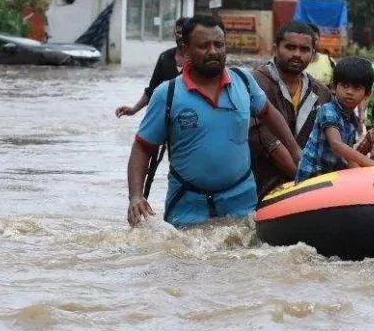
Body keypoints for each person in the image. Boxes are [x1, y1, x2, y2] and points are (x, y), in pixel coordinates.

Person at [126, 15, 302, 228]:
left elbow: (270, 114)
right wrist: (135, 196)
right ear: (185, 49)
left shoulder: (244, 82)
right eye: (204, 46)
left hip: (241, 204)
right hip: (187, 207)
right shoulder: (168, 94)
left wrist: (296, 152)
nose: (213, 51)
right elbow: (143, 147)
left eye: (219, 44)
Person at [248, 21, 333, 198]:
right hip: (262, 186)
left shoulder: (321, 92)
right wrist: (307, 185)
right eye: (290, 47)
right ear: (275, 48)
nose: (297, 54)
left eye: (304, 49)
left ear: (313, 53)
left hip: (308, 187)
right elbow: (265, 139)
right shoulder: (255, 83)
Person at [296, 57, 374, 182]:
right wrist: (372, 164)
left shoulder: (353, 120)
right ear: (334, 87)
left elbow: (349, 157)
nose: (349, 92)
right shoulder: (328, 110)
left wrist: (369, 174)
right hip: (311, 178)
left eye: (356, 88)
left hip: (330, 177)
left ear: (367, 94)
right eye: (345, 86)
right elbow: (337, 145)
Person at [116, 17, 188, 117]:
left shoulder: (198, 60)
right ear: (175, 34)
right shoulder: (165, 58)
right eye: (179, 32)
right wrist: (133, 110)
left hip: (189, 116)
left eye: (185, 32)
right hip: (165, 116)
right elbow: (152, 89)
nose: (181, 36)